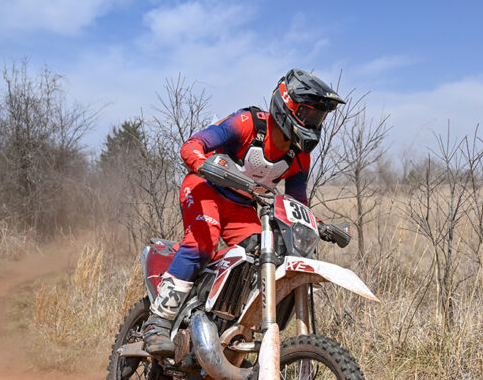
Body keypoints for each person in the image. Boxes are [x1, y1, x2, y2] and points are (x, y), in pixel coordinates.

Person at [143, 69, 345, 355]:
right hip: (205, 187)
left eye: (318, 118)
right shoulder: (247, 124)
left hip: (241, 205)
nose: (313, 123)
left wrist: (319, 225)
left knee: (262, 253)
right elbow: (192, 145)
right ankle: (158, 324)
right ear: (287, 104)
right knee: (203, 243)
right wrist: (202, 163)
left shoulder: (301, 156)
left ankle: (224, 323)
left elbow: (297, 201)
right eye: (308, 114)